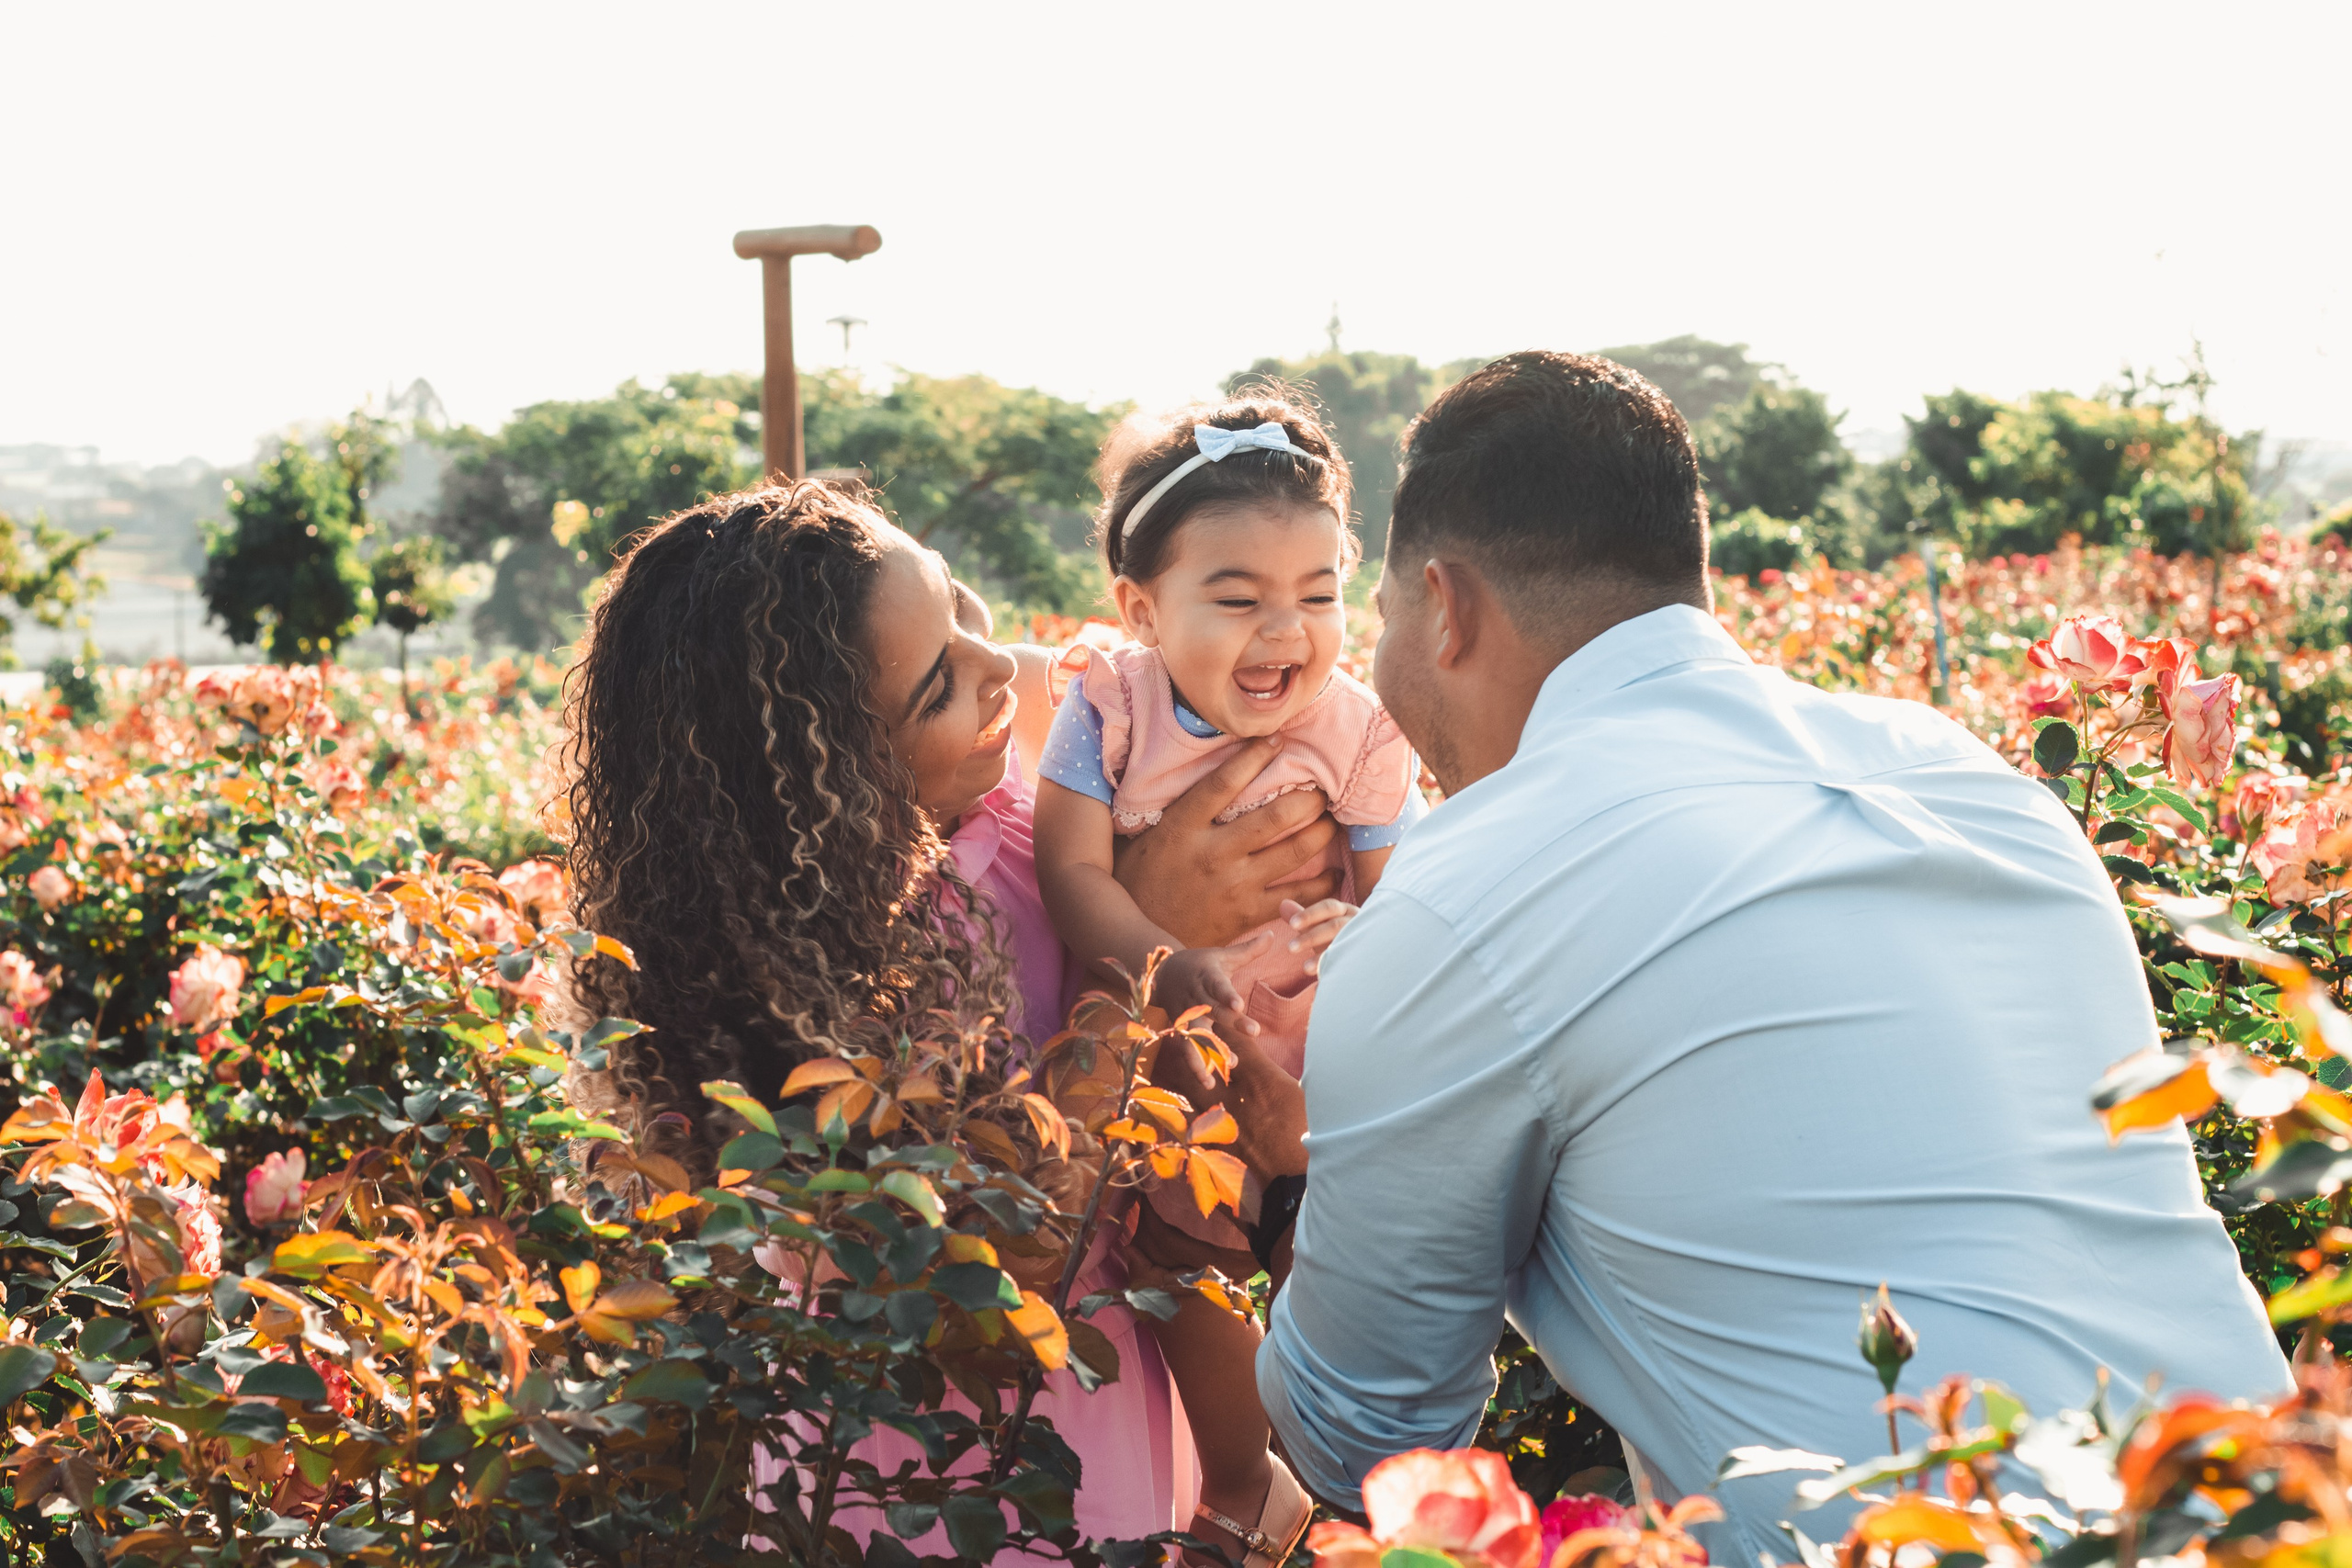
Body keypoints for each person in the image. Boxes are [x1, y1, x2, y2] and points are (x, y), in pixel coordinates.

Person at [1215, 352, 2292, 1563]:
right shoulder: (1972, 783)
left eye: (1378, 618)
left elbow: (1370, 1432)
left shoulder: (1464, 888)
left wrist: (1289, 1168)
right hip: (2279, 1507)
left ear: (1446, 603)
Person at [557, 479, 1349, 1548]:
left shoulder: (1015, 809)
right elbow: (1006, 1267)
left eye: (962, 610)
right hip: (948, 1469)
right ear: (828, 776)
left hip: (1114, 1375)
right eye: (939, 686)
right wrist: (1140, 949)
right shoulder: (817, 978)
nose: (997, 669)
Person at [1032, 394, 1420, 1566]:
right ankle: (1251, 1484)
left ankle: (1372, 1487)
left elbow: (1392, 898)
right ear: (1141, 609)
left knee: (1339, 1273)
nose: (1285, 633)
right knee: (1173, 1265)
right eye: (1238, 599)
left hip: (1321, 1059)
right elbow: (1069, 879)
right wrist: (1174, 963)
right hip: (1171, 1056)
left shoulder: (1360, 729)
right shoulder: (1106, 707)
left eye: (1317, 596)